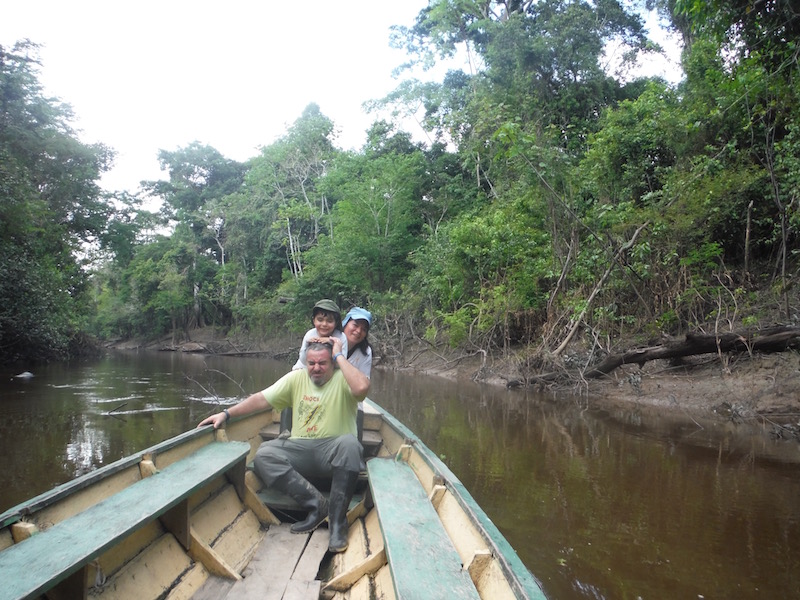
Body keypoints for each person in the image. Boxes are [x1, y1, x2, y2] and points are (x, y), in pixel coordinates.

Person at [197, 338, 369, 553]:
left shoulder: (344, 377)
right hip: (300, 449)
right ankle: (316, 505)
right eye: (311, 363)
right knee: (265, 454)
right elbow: (261, 399)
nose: (316, 368)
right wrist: (226, 413)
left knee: (350, 445)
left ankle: (337, 523)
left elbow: (362, 387)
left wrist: (339, 354)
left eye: (322, 363)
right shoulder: (296, 378)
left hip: (334, 450)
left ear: (332, 363)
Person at [342, 306, 372, 378]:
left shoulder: (366, 352)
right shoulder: (330, 341)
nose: (358, 331)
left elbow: (364, 382)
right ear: (345, 323)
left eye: (364, 329)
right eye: (355, 325)